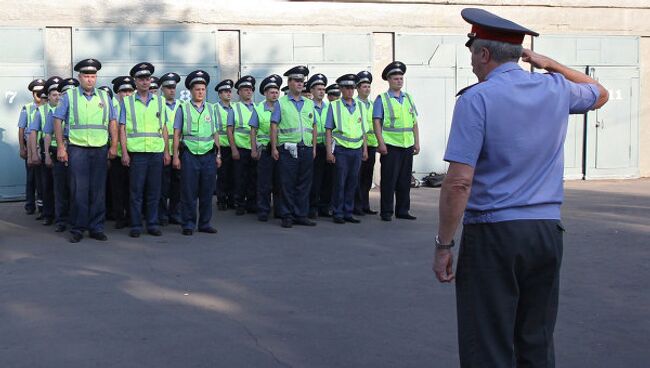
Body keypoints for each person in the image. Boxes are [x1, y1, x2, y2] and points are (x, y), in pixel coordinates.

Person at [432, 8, 609, 368]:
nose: (471, 64)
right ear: (521, 54)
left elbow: (459, 181)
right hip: (545, 232)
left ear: (483, 54)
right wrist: (548, 63)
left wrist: (444, 244)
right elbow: (599, 93)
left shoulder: (476, 99)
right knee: (536, 338)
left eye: (472, 55)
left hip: (494, 235)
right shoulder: (556, 88)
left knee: (488, 342)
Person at [53, 58, 119, 243]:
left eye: (93, 76)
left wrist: (114, 145)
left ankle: (96, 227)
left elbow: (112, 122)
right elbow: (58, 120)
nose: (90, 79)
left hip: (99, 149)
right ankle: (78, 228)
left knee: (98, 191)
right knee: (78, 190)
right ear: (79, 77)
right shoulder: (69, 96)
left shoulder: (105, 97)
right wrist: (60, 147)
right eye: (86, 76)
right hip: (77, 149)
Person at [119, 62, 171, 238]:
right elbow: (122, 129)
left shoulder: (160, 101)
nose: (145, 81)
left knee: (154, 191)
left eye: (147, 78)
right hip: (137, 153)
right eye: (141, 78)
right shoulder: (127, 102)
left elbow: (163, 127)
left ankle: (153, 223)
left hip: (156, 152)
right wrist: (124, 152)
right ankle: (135, 225)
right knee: (136, 192)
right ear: (135, 81)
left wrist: (166, 152)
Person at [173, 70, 221, 235]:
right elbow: (177, 133)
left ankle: (205, 223)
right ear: (191, 91)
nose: (200, 92)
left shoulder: (212, 109)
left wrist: (219, 154)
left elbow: (215, 133)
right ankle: (188, 224)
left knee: (207, 192)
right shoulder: (183, 108)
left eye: (203, 89)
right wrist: (176, 157)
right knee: (189, 192)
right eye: (197, 89)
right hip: (189, 155)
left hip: (208, 155)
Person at [270, 65, 317, 228]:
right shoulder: (281, 103)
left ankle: (301, 214)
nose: (300, 83)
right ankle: (287, 215)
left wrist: (314, 148)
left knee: (304, 183)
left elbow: (314, 126)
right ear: (289, 82)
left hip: (306, 148)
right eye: (296, 80)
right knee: (287, 183)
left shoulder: (309, 103)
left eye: (302, 81)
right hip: (288, 149)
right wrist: (274, 148)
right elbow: (274, 125)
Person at [373, 61, 420, 221]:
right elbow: (377, 122)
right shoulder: (382, 99)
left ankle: (402, 210)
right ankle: (386, 212)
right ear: (389, 80)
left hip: (407, 145)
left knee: (404, 180)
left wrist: (417, 142)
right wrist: (381, 143)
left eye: (401, 78)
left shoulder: (408, 98)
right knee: (388, 180)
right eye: (396, 79)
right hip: (391, 146)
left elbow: (414, 122)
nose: (399, 81)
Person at [325, 74, 368, 224]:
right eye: (347, 88)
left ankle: (348, 212)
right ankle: (338, 212)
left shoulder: (361, 106)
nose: (350, 91)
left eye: (352, 88)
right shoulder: (334, 105)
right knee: (340, 182)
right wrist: (329, 152)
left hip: (356, 150)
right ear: (341, 89)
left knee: (352, 182)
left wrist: (365, 150)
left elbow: (364, 130)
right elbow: (329, 130)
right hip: (341, 150)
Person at [42, 77, 79, 232]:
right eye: (66, 93)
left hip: (78, 151)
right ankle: (61, 220)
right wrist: (47, 155)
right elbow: (48, 134)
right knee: (60, 189)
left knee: (77, 189)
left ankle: (75, 219)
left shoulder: (80, 110)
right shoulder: (56, 111)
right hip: (59, 153)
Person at [27, 76, 63, 226]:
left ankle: (62, 215)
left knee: (61, 186)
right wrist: (34, 153)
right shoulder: (41, 111)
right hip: (47, 150)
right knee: (46, 185)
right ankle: (48, 214)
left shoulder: (65, 108)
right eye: (54, 94)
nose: (57, 97)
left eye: (59, 94)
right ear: (48, 96)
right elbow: (33, 132)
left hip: (62, 150)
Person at [250, 74, 282, 222]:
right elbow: (253, 130)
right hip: (265, 149)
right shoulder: (258, 108)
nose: (274, 94)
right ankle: (263, 210)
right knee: (264, 182)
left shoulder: (283, 107)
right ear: (265, 93)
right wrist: (254, 149)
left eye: (276, 92)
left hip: (281, 149)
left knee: (280, 181)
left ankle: (279, 210)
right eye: (271, 92)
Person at [108, 76, 135, 229]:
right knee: (117, 188)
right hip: (116, 154)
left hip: (134, 153)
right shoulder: (113, 108)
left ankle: (132, 216)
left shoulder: (135, 108)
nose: (127, 94)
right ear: (118, 93)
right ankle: (119, 217)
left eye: (130, 90)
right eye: (123, 91)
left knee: (133, 188)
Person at [229, 75, 258, 216]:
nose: (248, 92)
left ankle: (252, 203)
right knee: (240, 178)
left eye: (250, 89)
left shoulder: (257, 108)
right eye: (245, 89)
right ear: (239, 92)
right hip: (240, 149)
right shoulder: (234, 108)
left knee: (253, 177)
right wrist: (233, 149)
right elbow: (230, 130)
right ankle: (239, 203)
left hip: (254, 148)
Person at [306, 73, 333, 219]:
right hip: (313, 147)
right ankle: (312, 207)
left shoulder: (329, 107)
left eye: (323, 89)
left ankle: (325, 207)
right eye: (318, 89)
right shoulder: (307, 106)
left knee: (327, 179)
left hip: (327, 146)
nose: (322, 91)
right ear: (311, 91)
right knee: (314, 180)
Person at [158, 72, 182, 226]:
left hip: (179, 151)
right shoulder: (158, 104)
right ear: (162, 89)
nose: (171, 90)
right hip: (163, 150)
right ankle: (162, 215)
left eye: (173, 87)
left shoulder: (182, 105)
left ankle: (175, 213)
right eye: (168, 87)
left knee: (178, 186)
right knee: (162, 186)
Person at [18, 78, 46, 215]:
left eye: (42, 93)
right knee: (31, 178)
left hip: (43, 148)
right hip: (30, 147)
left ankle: (42, 206)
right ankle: (30, 205)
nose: (39, 96)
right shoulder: (27, 108)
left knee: (42, 180)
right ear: (33, 94)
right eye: (36, 93)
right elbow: (21, 129)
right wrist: (22, 148)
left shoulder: (48, 107)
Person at [354, 70, 379, 215]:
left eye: (368, 86)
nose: (367, 89)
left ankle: (365, 204)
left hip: (372, 145)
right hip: (358, 145)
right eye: (364, 86)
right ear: (357, 88)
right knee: (357, 176)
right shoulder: (355, 104)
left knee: (367, 177)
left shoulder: (372, 103)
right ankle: (356, 205)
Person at [214, 79, 235, 211]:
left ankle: (231, 199)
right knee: (222, 175)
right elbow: (214, 129)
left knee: (233, 174)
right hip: (221, 146)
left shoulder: (235, 107)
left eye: (229, 91)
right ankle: (221, 199)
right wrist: (218, 151)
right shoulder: (214, 108)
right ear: (220, 94)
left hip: (233, 146)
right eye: (225, 92)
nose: (228, 93)